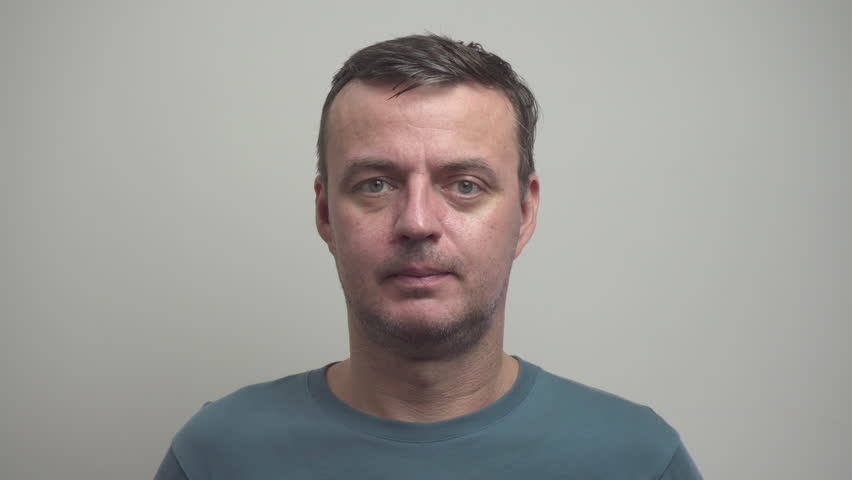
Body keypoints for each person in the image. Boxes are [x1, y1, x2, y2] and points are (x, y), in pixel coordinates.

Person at [154, 34, 703, 479]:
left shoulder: (637, 460)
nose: (417, 222)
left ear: (525, 212)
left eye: (464, 185)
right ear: (325, 214)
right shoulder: (216, 457)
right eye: (375, 185)